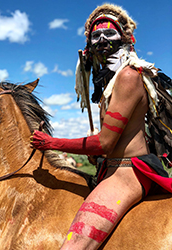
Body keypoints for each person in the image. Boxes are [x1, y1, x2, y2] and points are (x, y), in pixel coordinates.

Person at [30, 3, 172, 249]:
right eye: (96, 35)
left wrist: (51, 142)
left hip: (127, 173)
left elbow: (104, 142)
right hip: (113, 168)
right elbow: (112, 144)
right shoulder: (110, 83)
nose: (102, 39)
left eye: (109, 32)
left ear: (126, 37)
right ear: (88, 44)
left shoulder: (128, 77)